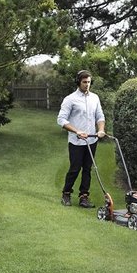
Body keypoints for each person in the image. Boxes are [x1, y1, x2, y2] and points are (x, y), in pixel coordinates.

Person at [57, 70, 106, 207]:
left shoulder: (95, 98)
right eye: (84, 82)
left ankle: (84, 197)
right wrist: (77, 131)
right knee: (75, 168)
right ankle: (66, 193)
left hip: (91, 140)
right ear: (78, 82)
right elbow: (61, 120)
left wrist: (101, 130)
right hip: (76, 141)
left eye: (89, 82)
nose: (87, 85)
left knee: (87, 169)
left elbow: (100, 116)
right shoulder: (70, 99)